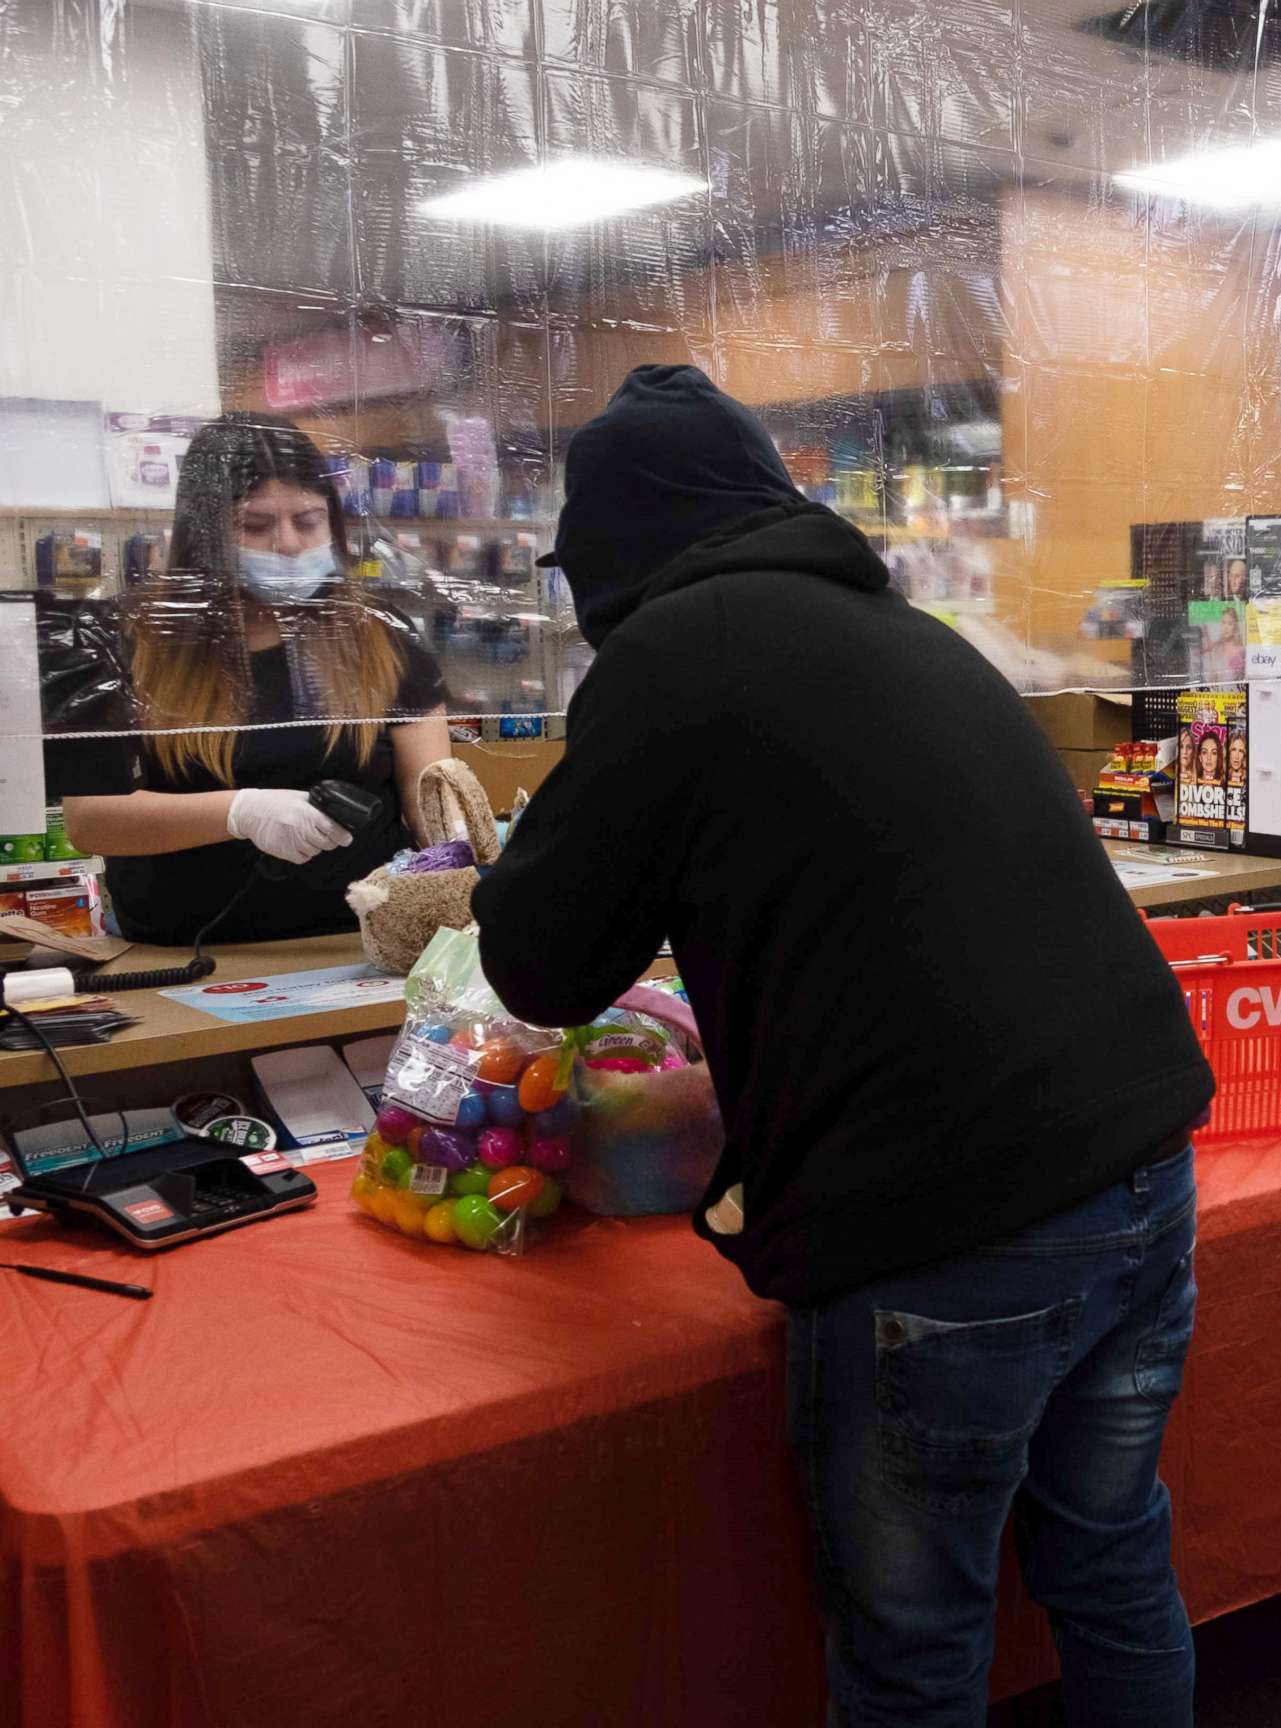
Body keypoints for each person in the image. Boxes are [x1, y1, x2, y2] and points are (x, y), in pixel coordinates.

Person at [469, 365, 1215, 1725]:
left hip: (949, 1223)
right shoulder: (896, 626)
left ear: (610, 542)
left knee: (915, 1634)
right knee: (1106, 1556)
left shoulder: (671, 659)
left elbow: (537, 963)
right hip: (1142, 1166)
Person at [45, 415, 451, 945]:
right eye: (254, 526)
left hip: (359, 941)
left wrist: (464, 860)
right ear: (204, 531)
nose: (286, 544)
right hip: (184, 949)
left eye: (308, 520)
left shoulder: (379, 634)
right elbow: (91, 820)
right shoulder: (123, 639)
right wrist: (240, 812)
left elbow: (431, 799)